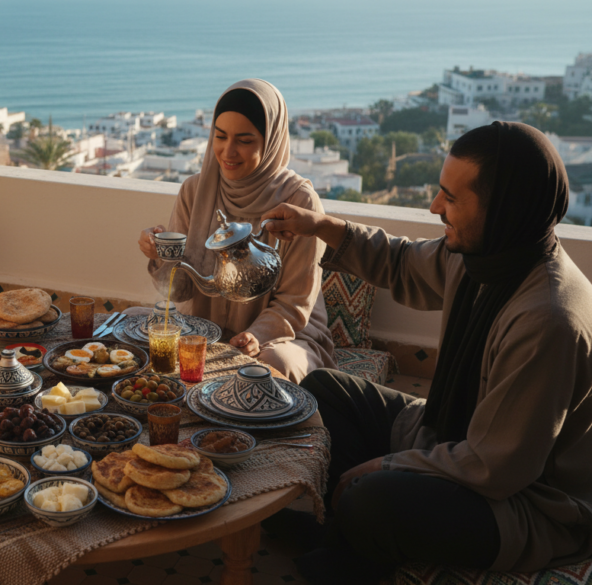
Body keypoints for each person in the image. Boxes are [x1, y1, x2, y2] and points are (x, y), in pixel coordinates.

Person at [260, 122, 592, 583]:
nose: (435, 207)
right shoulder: (484, 255)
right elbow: (400, 261)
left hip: (522, 502)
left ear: (503, 210)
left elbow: (495, 466)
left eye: (451, 199)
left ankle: (346, 544)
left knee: (370, 496)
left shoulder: (548, 318)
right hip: (449, 434)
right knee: (320, 391)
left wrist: (385, 466)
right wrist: (319, 226)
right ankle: (347, 538)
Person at [137, 79, 335, 383]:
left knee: (267, 367)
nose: (228, 151)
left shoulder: (300, 202)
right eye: (220, 136)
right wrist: (160, 255)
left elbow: (294, 302)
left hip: (282, 335)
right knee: (134, 326)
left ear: (270, 141)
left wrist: (256, 336)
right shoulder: (195, 190)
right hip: (205, 326)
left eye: (244, 140)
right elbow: (180, 291)